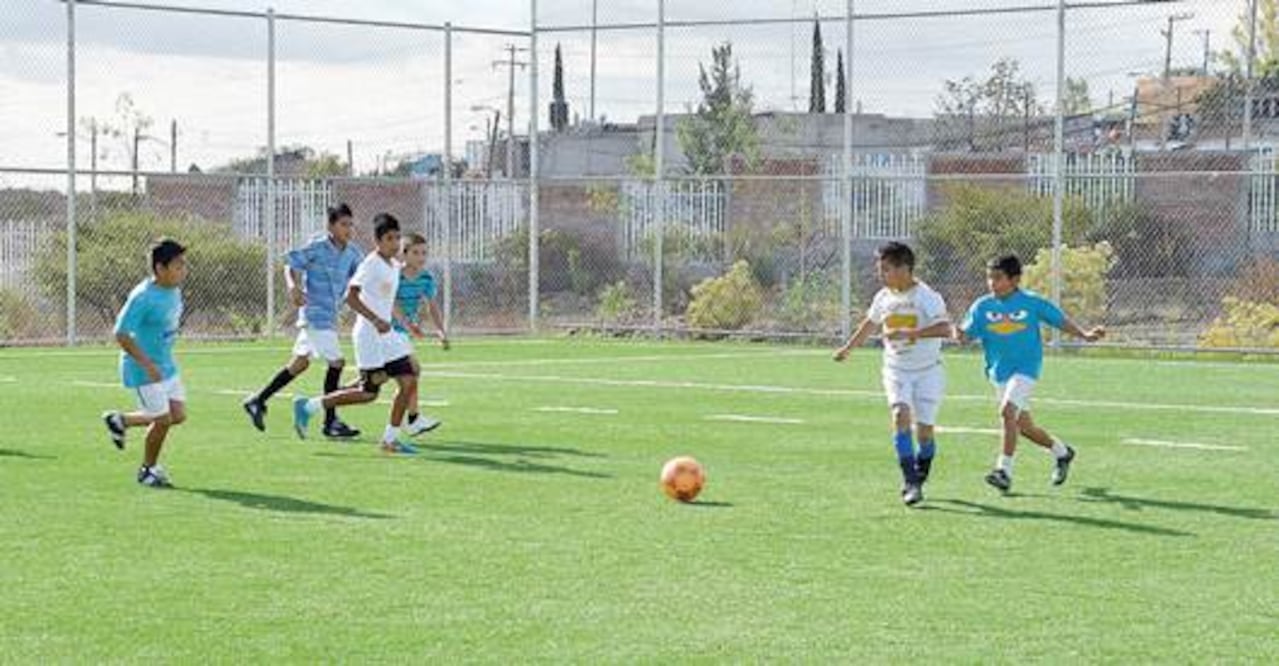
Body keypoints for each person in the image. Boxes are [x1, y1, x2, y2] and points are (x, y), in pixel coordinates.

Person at [956, 254, 1105, 494]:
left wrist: (1085, 335)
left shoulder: (1031, 303)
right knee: (1023, 427)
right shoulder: (982, 306)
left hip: (1026, 369)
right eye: (989, 278)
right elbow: (966, 335)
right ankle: (1062, 452)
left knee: (1007, 412)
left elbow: (1059, 320)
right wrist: (959, 335)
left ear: (1014, 280)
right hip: (999, 373)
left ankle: (1003, 471)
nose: (992, 283)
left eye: (998, 278)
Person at [834, 242, 952, 506]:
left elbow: (945, 328)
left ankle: (921, 472)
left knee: (925, 432)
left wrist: (912, 334)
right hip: (896, 369)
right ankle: (910, 481)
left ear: (904, 268)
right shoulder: (883, 297)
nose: (881, 274)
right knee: (900, 414)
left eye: (886, 269)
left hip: (928, 372)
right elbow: (870, 322)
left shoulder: (927, 297)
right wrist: (848, 348)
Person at [293, 213, 420, 454]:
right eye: (389, 239)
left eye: (397, 238)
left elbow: (390, 293)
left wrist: (402, 320)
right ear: (378, 241)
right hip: (369, 335)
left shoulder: (393, 265)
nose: (395, 244)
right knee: (368, 393)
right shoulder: (370, 264)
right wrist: (374, 319)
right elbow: (350, 297)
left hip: (387, 336)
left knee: (409, 379)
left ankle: (390, 440)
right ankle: (309, 406)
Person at [242, 203, 362, 438]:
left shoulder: (353, 253)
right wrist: (293, 286)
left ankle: (258, 400)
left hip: (329, 317)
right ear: (331, 226)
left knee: (300, 364)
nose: (348, 229)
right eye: (343, 224)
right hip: (314, 315)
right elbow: (291, 263)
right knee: (337, 363)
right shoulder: (317, 247)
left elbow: (362, 277)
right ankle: (330, 422)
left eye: (351, 224)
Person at [101, 238, 189, 488]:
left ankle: (121, 421)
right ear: (160, 269)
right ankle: (147, 470)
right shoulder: (142, 297)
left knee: (177, 415)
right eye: (178, 265)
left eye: (184, 264)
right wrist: (147, 364)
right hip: (142, 369)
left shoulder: (174, 290)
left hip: (166, 365)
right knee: (162, 420)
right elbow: (121, 333)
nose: (184, 270)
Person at [391, 232, 449, 437]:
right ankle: (412, 421)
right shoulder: (394, 275)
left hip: (401, 333)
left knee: (374, 381)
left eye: (424, 253)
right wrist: (407, 325)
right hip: (388, 332)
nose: (421, 257)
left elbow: (432, 306)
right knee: (412, 371)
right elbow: (390, 303)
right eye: (416, 252)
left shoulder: (426, 278)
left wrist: (441, 330)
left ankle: (318, 403)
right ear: (404, 254)